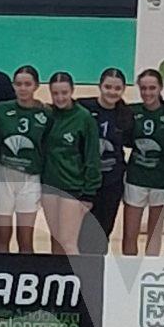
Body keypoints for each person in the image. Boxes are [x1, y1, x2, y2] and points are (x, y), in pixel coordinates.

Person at [0, 65, 51, 253]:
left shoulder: (46, 113)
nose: (23, 88)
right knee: (2, 237)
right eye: (18, 84)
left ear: (36, 86)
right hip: (3, 176)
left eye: (27, 84)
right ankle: (1, 276)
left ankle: (26, 278)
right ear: (13, 86)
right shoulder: (1, 110)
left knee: (26, 239)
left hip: (30, 178)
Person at [42, 72, 101, 256]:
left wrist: (89, 193)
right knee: (56, 240)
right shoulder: (48, 115)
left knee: (68, 243)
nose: (60, 97)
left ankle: (80, 282)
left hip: (73, 188)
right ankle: (58, 281)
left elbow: (92, 156)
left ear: (72, 91)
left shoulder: (84, 118)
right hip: (49, 187)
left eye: (64, 93)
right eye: (55, 93)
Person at [78, 68, 133, 253]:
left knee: (103, 231)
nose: (112, 92)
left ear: (123, 89)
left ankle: (98, 273)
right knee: (82, 231)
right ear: (99, 86)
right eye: (108, 87)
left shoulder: (125, 114)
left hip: (112, 182)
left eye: (117, 88)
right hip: (86, 182)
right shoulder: (84, 107)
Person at [123, 69, 164, 256]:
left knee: (154, 235)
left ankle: (149, 272)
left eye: (152, 88)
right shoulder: (130, 111)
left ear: (161, 88)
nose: (147, 92)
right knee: (130, 234)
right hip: (135, 179)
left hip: (161, 181)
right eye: (143, 88)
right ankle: (129, 274)